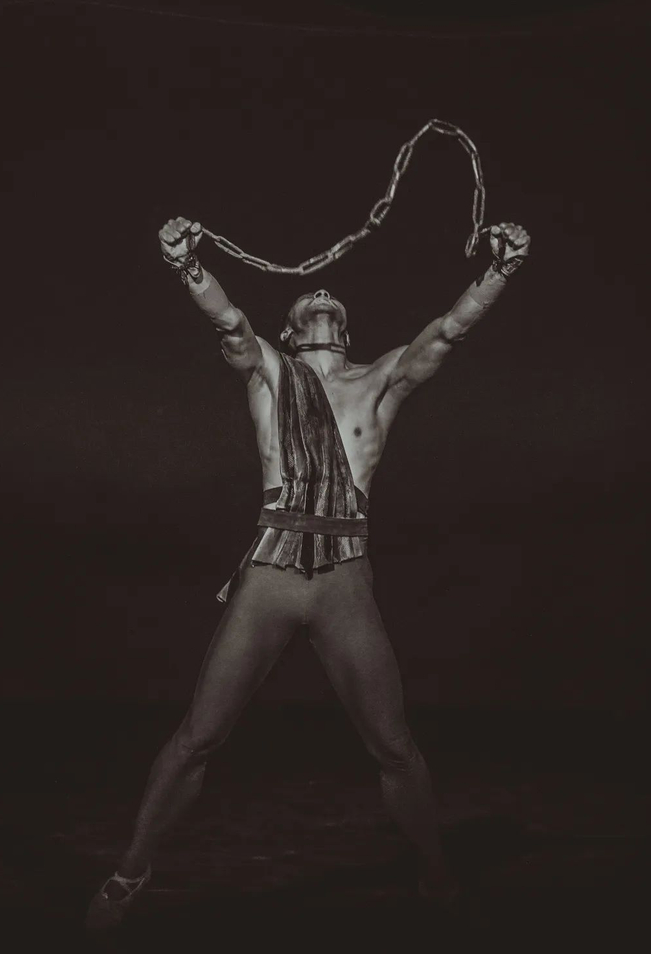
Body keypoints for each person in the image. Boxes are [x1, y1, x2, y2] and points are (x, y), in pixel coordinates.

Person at [86, 215, 531, 929]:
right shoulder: (270, 372)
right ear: (290, 330)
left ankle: (436, 873)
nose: (323, 294)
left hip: (344, 575)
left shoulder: (381, 381)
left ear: (345, 329)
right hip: (271, 568)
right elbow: (230, 324)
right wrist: (186, 265)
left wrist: (502, 268)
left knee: (395, 746)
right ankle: (130, 871)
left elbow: (449, 331)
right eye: (309, 298)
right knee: (199, 735)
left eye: (332, 299)